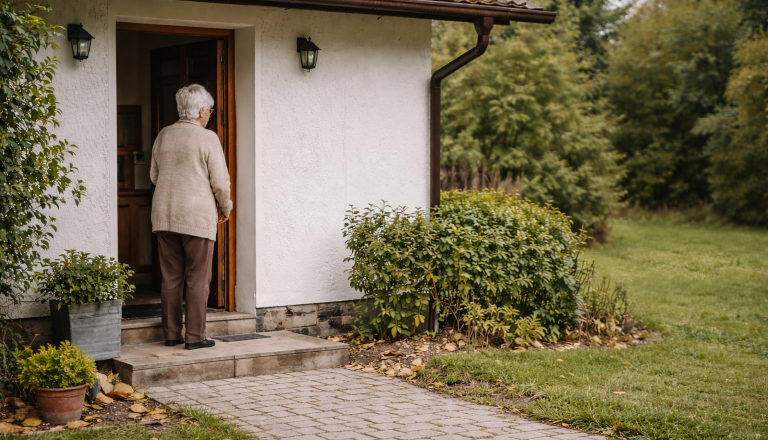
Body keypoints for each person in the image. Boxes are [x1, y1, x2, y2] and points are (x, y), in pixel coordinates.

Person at [150, 84, 232, 350]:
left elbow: (154, 175)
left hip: (164, 214)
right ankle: (195, 337)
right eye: (208, 110)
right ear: (199, 111)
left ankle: (171, 335)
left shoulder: (164, 134)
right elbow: (220, 182)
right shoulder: (208, 138)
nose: (209, 114)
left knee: (171, 277)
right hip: (197, 217)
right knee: (198, 278)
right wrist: (226, 206)